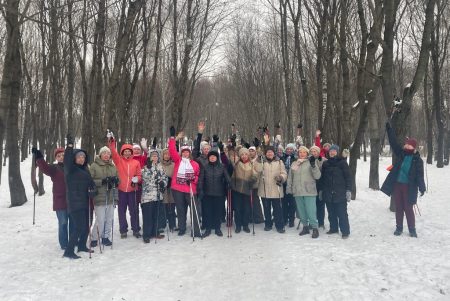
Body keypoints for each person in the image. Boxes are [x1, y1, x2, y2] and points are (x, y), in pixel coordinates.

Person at [381, 122, 426, 237]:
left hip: (409, 187)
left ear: (413, 147)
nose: (406, 146)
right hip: (397, 185)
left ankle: (412, 229)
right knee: (399, 207)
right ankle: (399, 228)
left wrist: (422, 188)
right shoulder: (401, 154)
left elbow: (420, 176)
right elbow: (393, 142)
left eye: (409, 145)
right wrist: (389, 129)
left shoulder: (417, 160)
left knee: (408, 208)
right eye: (406, 145)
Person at [32, 147, 74, 250]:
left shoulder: (73, 167)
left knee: (73, 223)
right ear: (56, 158)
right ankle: (64, 244)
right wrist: (39, 157)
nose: (61, 157)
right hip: (60, 201)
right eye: (58, 156)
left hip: (73, 200)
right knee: (63, 223)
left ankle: (73, 241)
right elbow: (45, 168)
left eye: (63, 155)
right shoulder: (54, 168)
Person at [63, 134, 96, 259]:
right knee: (78, 227)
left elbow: (92, 186)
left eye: (83, 156)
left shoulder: (86, 170)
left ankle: (82, 245)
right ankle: (69, 251)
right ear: (74, 158)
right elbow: (66, 160)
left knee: (87, 226)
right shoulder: (70, 170)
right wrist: (69, 147)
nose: (81, 158)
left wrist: (93, 191)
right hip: (75, 203)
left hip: (86, 202)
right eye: (79, 156)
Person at [168, 126, 201, 237]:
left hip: (190, 189)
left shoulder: (195, 164)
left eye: (187, 152)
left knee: (194, 210)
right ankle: (182, 228)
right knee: (181, 210)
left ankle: (195, 229)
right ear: (181, 153)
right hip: (177, 189)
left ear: (190, 153)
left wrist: (193, 180)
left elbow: (197, 176)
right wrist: (173, 138)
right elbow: (172, 150)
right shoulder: (178, 161)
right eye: (183, 152)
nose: (185, 154)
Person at [108, 136, 142, 239]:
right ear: (122, 152)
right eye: (125, 151)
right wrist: (112, 143)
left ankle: (136, 229)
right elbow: (113, 152)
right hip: (121, 190)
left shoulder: (136, 162)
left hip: (132, 191)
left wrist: (136, 179)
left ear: (132, 153)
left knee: (134, 211)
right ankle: (123, 230)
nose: (127, 153)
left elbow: (139, 175)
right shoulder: (119, 161)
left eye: (129, 151)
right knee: (121, 211)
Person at [286, 146, 321, 238]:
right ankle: (305, 227)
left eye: (304, 152)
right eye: (300, 152)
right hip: (297, 191)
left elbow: (317, 176)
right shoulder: (294, 163)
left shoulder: (311, 162)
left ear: (307, 153)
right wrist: (289, 188)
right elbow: (290, 177)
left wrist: (313, 166)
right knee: (301, 211)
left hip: (309, 191)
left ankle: (315, 228)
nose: (302, 154)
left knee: (311, 211)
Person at [89, 146, 119, 247]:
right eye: (104, 153)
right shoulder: (94, 166)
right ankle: (94, 238)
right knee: (100, 220)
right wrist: (102, 181)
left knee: (109, 218)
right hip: (100, 197)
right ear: (100, 154)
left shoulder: (112, 166)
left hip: (110, 196)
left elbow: (117, 178)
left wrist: (116, 181)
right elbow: (90, 181)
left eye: (108, 153)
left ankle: (106, 237)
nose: (106, 155)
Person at [320, 144, 352, 239]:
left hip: (340, 193)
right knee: (331, 213)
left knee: (342, 213)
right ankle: (333, 228)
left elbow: (348, 177)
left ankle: (345, 231)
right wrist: (321, 190)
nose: (332, 152)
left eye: (334, 151)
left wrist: (348, 190)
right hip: (328, 192)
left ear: (337, 152)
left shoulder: (342, 163)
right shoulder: (325, 164)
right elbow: (322, 178)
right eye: (330, 151)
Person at [254, 146, 288, 233]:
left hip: (276, 190)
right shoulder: (262, 161)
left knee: (278, 210)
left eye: (271, 152)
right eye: (268, 152)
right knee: (266, 209)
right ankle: (268, 224)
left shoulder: (279, 162)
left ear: (274, 153)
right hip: (264, 190)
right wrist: (258, 158)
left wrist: (281, 177)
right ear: (265, 153)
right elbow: (257, 170)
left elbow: (284, 173)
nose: (270, 153)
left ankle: (279, 225)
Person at [198, 150, 231, 237]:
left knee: (218, 211)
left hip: (219, 193)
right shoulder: (205, 167)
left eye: (214, 156)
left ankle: (217, 228)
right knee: (207, 212)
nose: (212, 158)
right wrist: (200, 189)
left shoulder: (222, 166)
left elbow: (227, 176)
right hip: (207, 193)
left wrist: (229, 184)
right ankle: (208, 229)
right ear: (209, 158)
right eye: (211, 156)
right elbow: (201, 179)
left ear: (217, 158)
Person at [141, 149, 168, 243]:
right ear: (150, 157)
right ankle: (146, 235)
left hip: (158, 195)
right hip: (147, 196)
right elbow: (146, 179)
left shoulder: (161, 167)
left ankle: (155, 232)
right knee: (148, 216)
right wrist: (150, 168)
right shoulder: (145, 167)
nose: (155, 157)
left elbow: (165, 178)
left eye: (156, 156)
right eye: (153, 156)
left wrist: (163, 183)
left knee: (156, 215)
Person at [230, 147, 257, 233]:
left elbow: (255, 174)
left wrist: (253, 179)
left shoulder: (251, 164)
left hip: (247, 189)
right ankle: (238, 225)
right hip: (237, 189)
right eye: (242, 154)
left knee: (247, 208)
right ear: (240, 155)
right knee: (237, 209)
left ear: (248, 155)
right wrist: (233, 147)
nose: (244, 156)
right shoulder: (236, 163)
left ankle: (245, 225)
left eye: (246, 154)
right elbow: (230, 157)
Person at [310, 145, 326, 229]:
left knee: (320, 205)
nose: (313, 153)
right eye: (312, 151)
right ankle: (312, 221)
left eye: (315, 151)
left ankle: (321, 222)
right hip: (311, 186)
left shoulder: (323, 160)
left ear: (318, 152)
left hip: (321, 186)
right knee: (312, 205)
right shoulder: (308, 160)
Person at [281, 143, 297, 227]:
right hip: (283, 183)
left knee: (292, 203)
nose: (289, 150)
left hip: (293, 184)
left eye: (291, 149)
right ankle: (284, 218)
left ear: (294, 150)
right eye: (288, 149)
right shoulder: (282, 158)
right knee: (284, 203)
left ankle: (291, 219)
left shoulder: (296, 158)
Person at [248, 146, 265, 224]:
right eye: (250, 151)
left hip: (255, 183)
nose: (251, 152)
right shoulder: (247, 160)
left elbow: (259, 170)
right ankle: (250, 217)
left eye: (252, 151)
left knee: (255, 201)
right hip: (247, 183)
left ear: (255, 152)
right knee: (249, 201)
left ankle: (258, 217)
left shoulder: (257, 160)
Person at [161, 148, 176, 231]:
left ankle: (172, 223)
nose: (167, 156)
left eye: (168, 154)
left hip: (171, 188)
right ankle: (162, 223)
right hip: (163, 189)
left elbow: (176, 175)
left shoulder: (173, 165)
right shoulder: (159, 165)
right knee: (163, 207)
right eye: (165, 154)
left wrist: (171, 180)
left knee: (172, 207)